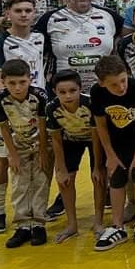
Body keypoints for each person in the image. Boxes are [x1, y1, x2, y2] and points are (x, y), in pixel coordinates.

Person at [0, 0, 46, 235]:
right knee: (2, 160)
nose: (23, 15)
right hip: (8, 110)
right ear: (8, 13)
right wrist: (10, 104)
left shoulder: (41, 38)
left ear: (34, 13)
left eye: (28, 11)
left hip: (36, 109)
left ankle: (35, 213)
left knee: (39, 160)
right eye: (18, 10)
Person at [90, 55, 135, 252]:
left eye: (123, 80)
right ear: (102, 84)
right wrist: (109, 155)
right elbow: (100, 124)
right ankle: (118, 227)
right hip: (115, 141)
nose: (121, 87)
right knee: (116, 177)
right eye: (114, 85)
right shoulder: (97, 93)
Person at [0, 59, 50, 249]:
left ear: (30, 79)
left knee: (40, 181)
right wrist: (12, 154)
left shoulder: (40, 96)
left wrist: (42, 152)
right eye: (12, 83)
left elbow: (43, 125)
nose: (17, 88)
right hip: (18, 145)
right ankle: (22, 225)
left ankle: (39, 224)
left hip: (41, 143)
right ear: (3, 82)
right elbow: (4, 128)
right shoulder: (0, 99)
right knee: (19, 183)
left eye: (22, 82)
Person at [37, 0, 124, 92]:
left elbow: (130, 39)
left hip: (103, 92)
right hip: (64, 95)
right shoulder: (49, 19)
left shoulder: (110, 16)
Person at [45, 69, 101, 243]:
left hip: (94, 140)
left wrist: (98, 167)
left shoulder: (90, 104)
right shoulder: (52, 108)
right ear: (55, 92)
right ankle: (71, 224)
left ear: (80, 88)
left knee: (98, 178)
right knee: (65, 179)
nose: (68, 96)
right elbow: (56, 139)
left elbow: (97, 134)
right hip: (70, 140)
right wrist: (60, 168)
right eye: (62, 92)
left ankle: (98, 222)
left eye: (72, 91)